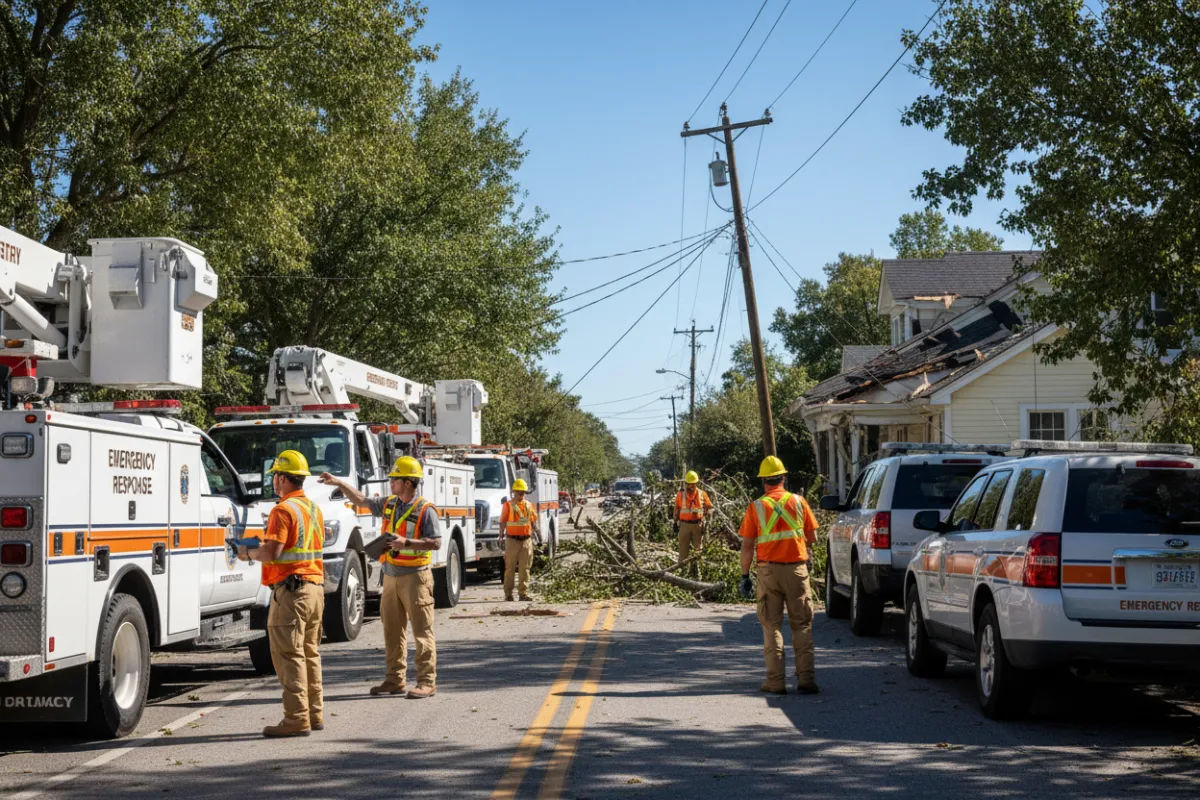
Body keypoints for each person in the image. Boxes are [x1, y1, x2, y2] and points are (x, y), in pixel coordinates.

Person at [320, 456, 440, 699]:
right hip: (391, 577)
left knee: (421, 632)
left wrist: (405, 542)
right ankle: (395, 680)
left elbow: (435, 542)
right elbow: (361, 500)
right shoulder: (389, 503)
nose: (391, 483)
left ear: (407, 482)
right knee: (392, 632)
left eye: (395, 479)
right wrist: (339, 483)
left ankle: (427, 682)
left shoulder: (426, 510)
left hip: (416, 578)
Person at [242, 450, 325, 737]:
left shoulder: (282, 510)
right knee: (309, 653)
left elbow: (272, 551)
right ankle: (314, 714)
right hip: (314, 590)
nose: (274, 482)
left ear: (281, 478)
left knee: (288, 655)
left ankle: (296, 718)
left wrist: (247, 551)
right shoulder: (313, 509)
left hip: (291, 591)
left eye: (275, 476)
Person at [738, 455, 820, 696]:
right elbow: (812, 538)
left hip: (768, 571)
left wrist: (745, 576)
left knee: (771, 625)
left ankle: (775, 681)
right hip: (797, 570)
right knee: (802, 625)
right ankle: (806, 680)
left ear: (763, 481)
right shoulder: (799, 501)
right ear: (784, 478)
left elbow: (747, 546)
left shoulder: (756, 507)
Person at [500, 478, 538, 602]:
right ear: (514, 491)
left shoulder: (529, 505)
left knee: (525, 568)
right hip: (512, 541)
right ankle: (508, 594)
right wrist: (500, 536)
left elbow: (533, 521)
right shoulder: (508, 505)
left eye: (523, 492)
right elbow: (503, 522)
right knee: (510, 568)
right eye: (519, 491)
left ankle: (523, 593)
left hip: (526, 541)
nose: (521, 494)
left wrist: (538, 536)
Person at [672, 470, 713, 573]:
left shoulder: (702, 494)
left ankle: (697, 572)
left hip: (698, 525)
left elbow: (710, 507)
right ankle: (682, 572)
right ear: (686, 483)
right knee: (683, 551)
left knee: (697, 550)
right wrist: (675, 523)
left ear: (696, 483)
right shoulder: (680, 495)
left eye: (692, 484)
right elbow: (676, 510)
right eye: (689, 484)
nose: (690, 486)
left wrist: (707, 515)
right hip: (685, 524)